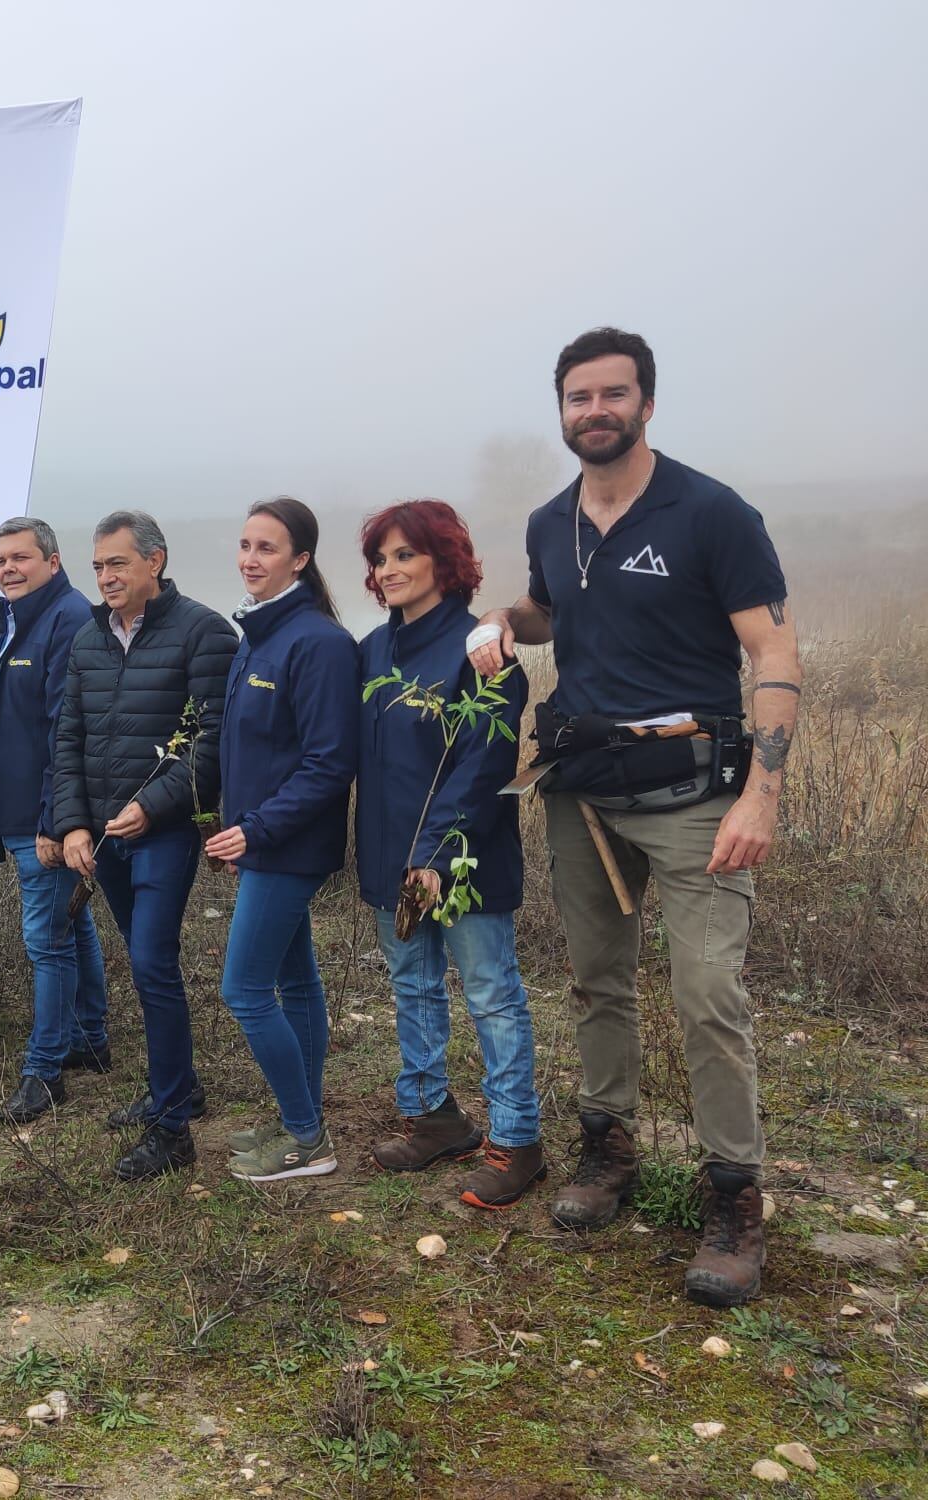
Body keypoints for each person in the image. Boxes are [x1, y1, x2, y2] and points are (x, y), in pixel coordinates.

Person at [470, 327, 800, 1306]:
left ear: (645, 403)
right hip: (581, 790)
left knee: (707, 996)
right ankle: (604, 1154)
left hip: (697, 796)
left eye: (612, 394)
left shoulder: (709, 514)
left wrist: (762, 792)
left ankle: (732, 1200)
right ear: (561, 411)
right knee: (595, 984)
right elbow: (546, 611)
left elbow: (772, 655)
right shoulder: (548, 522)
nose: (594, 411)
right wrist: (500, 626)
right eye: (577, 398)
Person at [355, 500, 543, 1208]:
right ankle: (434, 1117)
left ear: (445, 560)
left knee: (491, 995)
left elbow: (483, 761)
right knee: (412, 985)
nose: (389, 569)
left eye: (406, 554)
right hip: (388, 856)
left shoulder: (479, 648)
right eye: (381, 558)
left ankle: (517, 1140)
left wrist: (436, 853)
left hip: (462, 859)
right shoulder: (373, 651)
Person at [55, 510, 238, 1180]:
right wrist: (72, 823)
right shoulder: (86, 641)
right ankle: (178, 1086)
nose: (104, 577)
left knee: (155, 962)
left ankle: (173, 1130)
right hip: (104, 837)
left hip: (163, 831)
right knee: (139, 957)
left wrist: (150, 805)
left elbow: (211, 743)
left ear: (154, 561)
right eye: (98, 565)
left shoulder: (204, 633)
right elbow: (68, 739)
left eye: (118, 564)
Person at [205, 499, 358, 1182]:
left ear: (300, 559)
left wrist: (257, 829)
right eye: (244, 545)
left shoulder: (317, 642)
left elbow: (330, 761)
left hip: (288, 846)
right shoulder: (259, 637)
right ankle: (301, 1113)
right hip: (261, 843)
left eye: (267, 548)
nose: (250, 559)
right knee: (296, 983)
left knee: (244, 990)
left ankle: (307, 1138)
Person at [0, 518, 108, 1124]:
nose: (7, 569)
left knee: (45, 941)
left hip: (42, 818)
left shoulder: (68, 618)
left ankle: (44, 1071)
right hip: (18, 811)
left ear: (53, 562)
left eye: (20, 558)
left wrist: (56, 820)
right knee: (70, 927)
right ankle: (89, 1037)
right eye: (1, 559)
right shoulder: (14, 616)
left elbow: (65, 732)